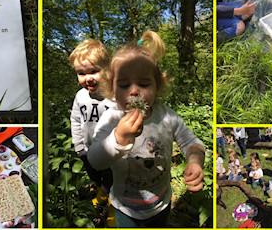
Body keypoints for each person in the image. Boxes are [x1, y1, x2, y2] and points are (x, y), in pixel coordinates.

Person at [88, 30, 205, 228]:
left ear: (157, 86)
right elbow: (95, 160)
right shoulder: (111, 119)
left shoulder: (166, 116)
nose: (134, 91)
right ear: (112, 88)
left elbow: (192, 143)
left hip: (161, 203)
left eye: (143, 83)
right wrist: (118, 138)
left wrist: (195, 160)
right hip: (126, 209)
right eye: (124, 85)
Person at [68, 39, 114, 193]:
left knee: (111, 179)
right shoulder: (80, 96)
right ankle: (101, 191)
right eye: (81, 73)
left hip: (111, 152)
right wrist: (79, 146)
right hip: (87, 150)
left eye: (94, 71)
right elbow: (75, 120)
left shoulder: (114, 95)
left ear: (107, 69)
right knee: (94, 175)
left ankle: (112, 203)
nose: (88, 78)